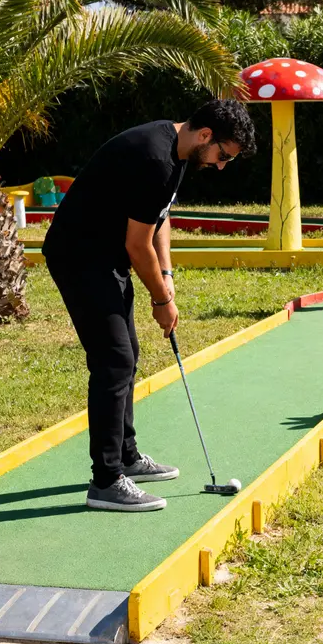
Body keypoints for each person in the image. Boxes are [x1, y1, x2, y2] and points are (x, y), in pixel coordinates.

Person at [43, 99, 257, 512]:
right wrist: (160, 300)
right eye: (224, 156)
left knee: (127, 354)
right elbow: (137, 245)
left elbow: (159, 218)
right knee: (113, 360)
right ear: (206, 135)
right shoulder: (154, 158)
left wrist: (168, 277)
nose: (220, 166)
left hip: (106, 258)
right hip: (80, 257)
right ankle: (106, 481)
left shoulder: (178, 152)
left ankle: (126, 456)